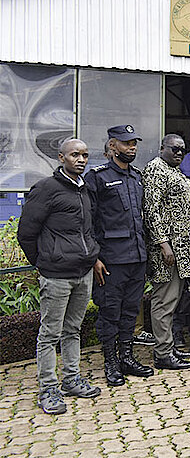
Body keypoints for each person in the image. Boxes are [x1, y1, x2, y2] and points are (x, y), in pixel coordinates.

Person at [18, 139, 102, 415]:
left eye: (85, 155)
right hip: (56, 275)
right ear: (61, 157)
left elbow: (87, 230)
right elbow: (26, 232)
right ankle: (48, 388)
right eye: (75, 154)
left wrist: (91, 256)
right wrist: (43, 263)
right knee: (49, 334)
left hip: (83, 272)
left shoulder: (84, 189)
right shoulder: (46, 188)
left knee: (73, 329)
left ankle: (71, 379)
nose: (81, 159)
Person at [85, 125, 152, 387]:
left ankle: (126, 357)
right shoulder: (98, 177)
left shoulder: (136, 177)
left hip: (137, 257)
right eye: (126, 143)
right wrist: (95, 258)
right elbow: (88, 221)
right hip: (111, 259)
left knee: (130, 310)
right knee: (110, 311)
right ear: (113, 146)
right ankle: (110, 362)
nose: (132, 148)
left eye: (134, 143)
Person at [142, 134, 190, 370]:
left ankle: (167, 346)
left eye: (182, 150)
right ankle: (162, 354)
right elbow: (151, 209)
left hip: (182, 251)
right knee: (164, 301)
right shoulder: (156, 169)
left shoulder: (173, 170)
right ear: (162, 148)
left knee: (173, 300)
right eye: (174, 149)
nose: (179, 153)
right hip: (168, 252)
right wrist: (163, 243)